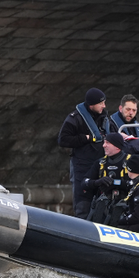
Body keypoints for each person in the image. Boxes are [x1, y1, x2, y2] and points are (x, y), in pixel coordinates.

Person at [58, 88, 111, 218]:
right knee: (83, 205)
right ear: (91, 104)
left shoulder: (104, 118)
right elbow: (63, 139)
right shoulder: (75, 118)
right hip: (82, 166)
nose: (104, 106)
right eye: (101, 103)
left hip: (100, 165)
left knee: (103, 206)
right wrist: (86, 138)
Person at [82, 133, 131, 224]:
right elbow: (84, 182)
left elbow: (138, 183)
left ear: (117, 146)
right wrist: (97, 182)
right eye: (104, 142)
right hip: (104, 206)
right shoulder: (100, 163)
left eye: (107, 143)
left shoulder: (130, 161)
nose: (104, 145)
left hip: (124, 207)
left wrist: (115, 183)